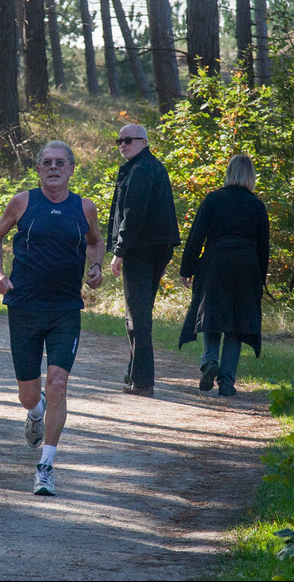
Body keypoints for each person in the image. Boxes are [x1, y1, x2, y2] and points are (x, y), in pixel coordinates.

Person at [0, 141, 104, 496]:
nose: (53, 168)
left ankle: (45, 467)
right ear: (38, 169)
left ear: (71, 169)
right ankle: (34, 412)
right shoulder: (23, 202)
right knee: (29, 394)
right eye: (47, 163)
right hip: (23, 306)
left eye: (60, 163)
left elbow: (96, 242)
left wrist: (96, 266)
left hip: (66, 308)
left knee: (57, 386)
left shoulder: (84, 207)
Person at [178, 154, 270, 397]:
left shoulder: (213, 199)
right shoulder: (257, 205)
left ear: (228, 172)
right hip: (247, 265)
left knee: (212, 314)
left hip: (215, 261)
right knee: (237, 324)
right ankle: (227, 383)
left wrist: (186, 269)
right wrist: (261, 277)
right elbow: (264, 246)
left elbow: (196, 236)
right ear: (251, 176)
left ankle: (210, 362)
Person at [107, 124, 180, 397]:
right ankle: (135, 373)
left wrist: (119, 250)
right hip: (155, 247)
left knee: (136, 316)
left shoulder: (140, 170)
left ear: (143, 141)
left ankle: (143, 381)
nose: (122, 145)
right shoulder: (150, 167)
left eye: (128, 140)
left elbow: (132, 213)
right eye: (119, 140)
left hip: (141, 249)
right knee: (141, 312)